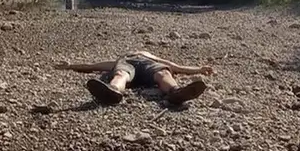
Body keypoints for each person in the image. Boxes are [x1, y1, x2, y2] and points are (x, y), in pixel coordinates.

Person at [54, 50, 214, 105]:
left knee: (163, 73)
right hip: (127, 64)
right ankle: (113, 91)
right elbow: (93, 66)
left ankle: (176, 92)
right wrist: (69, 65)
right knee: (120, 74)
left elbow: (175, 67)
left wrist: (199, 69)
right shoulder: (124, 58)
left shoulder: (149, 56)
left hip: (148, 65)